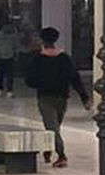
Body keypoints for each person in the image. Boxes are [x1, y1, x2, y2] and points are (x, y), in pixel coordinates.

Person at [22, 26, 90, 167]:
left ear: (42, 40)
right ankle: (61, 154)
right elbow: (75, 78)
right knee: (54, 126)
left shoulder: (37, 59)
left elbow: (29, 80)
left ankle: (49, 149)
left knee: (52, 127)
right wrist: (84, 97)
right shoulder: (64, 58)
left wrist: (41, 83)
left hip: (45, 97)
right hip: (62, 97)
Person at [0, 22, 20, 96]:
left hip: (10, 58)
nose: (8, 28)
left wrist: (16, 55)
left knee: (10, 76)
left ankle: (9, 90)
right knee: (0, 75)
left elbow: (16, 47)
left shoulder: (13, 37)